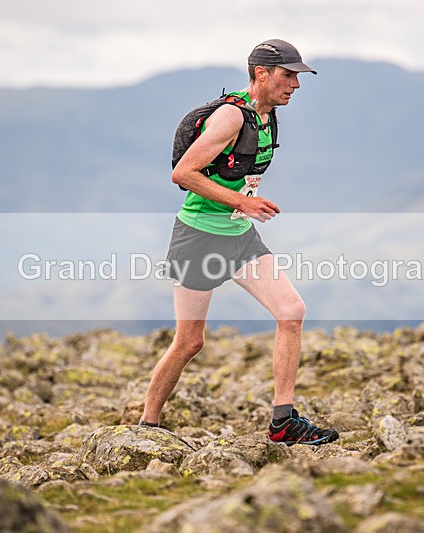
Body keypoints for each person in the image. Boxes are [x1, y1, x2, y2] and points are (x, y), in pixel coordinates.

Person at [140, 39, 339, 446]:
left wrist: (242, 210)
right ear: (261, 74)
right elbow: (183, 174)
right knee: (190, 342)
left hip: (240, 237)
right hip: (198, 238)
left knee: (291, 312)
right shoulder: (232, 117)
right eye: (288, 76)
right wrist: (241, 202)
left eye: (298, 77)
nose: (296, 86)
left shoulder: (268, 118)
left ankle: (283, 422)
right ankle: (147, 427)